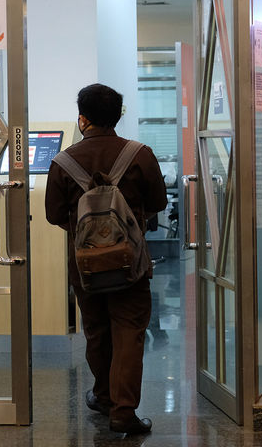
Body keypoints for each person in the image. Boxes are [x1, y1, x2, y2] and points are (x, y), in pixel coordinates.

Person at [45, 84, 166, 435]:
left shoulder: (63, 162)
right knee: (129, 331)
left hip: (85, 265)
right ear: (117, 117)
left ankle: (103, 396)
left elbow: (54, 215)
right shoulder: (139, 154)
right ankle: (123, 411)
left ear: (82, 119)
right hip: (131, 264)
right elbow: (158, 202)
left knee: (97, 330)